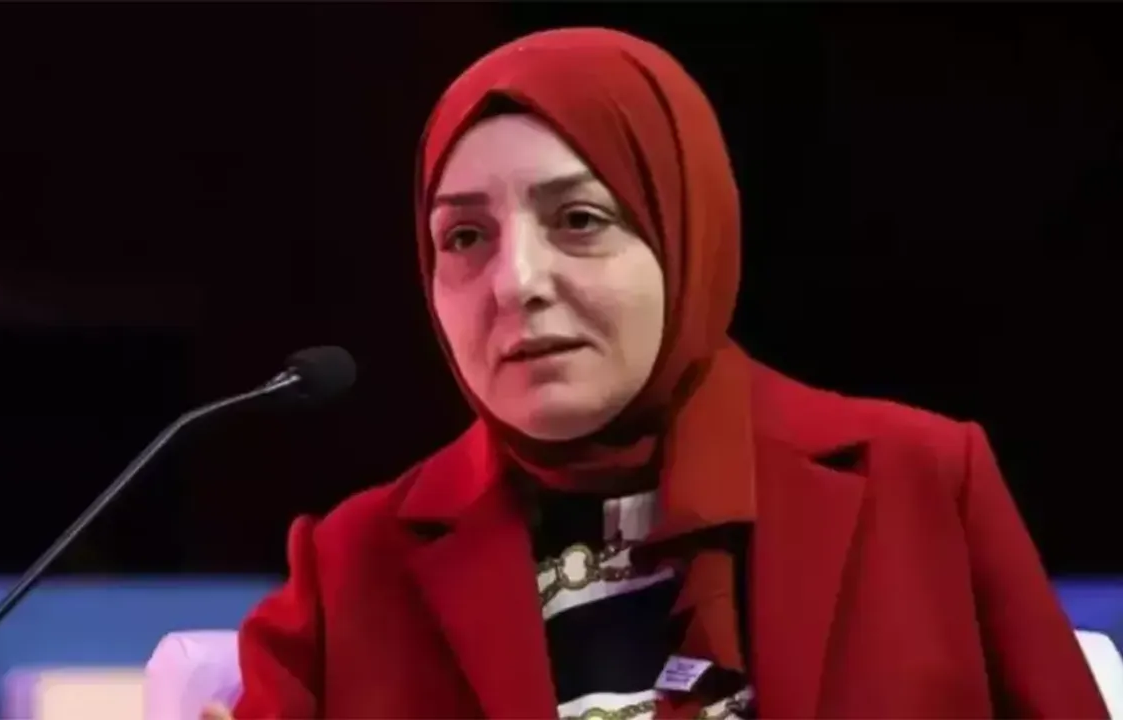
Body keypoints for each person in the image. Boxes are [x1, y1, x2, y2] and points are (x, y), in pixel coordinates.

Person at [209, 27, 1108, 719]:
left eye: (579, 220)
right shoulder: (354, 568)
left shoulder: (920, 483)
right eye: (465, 237)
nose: (516, 283)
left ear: (686, 230)